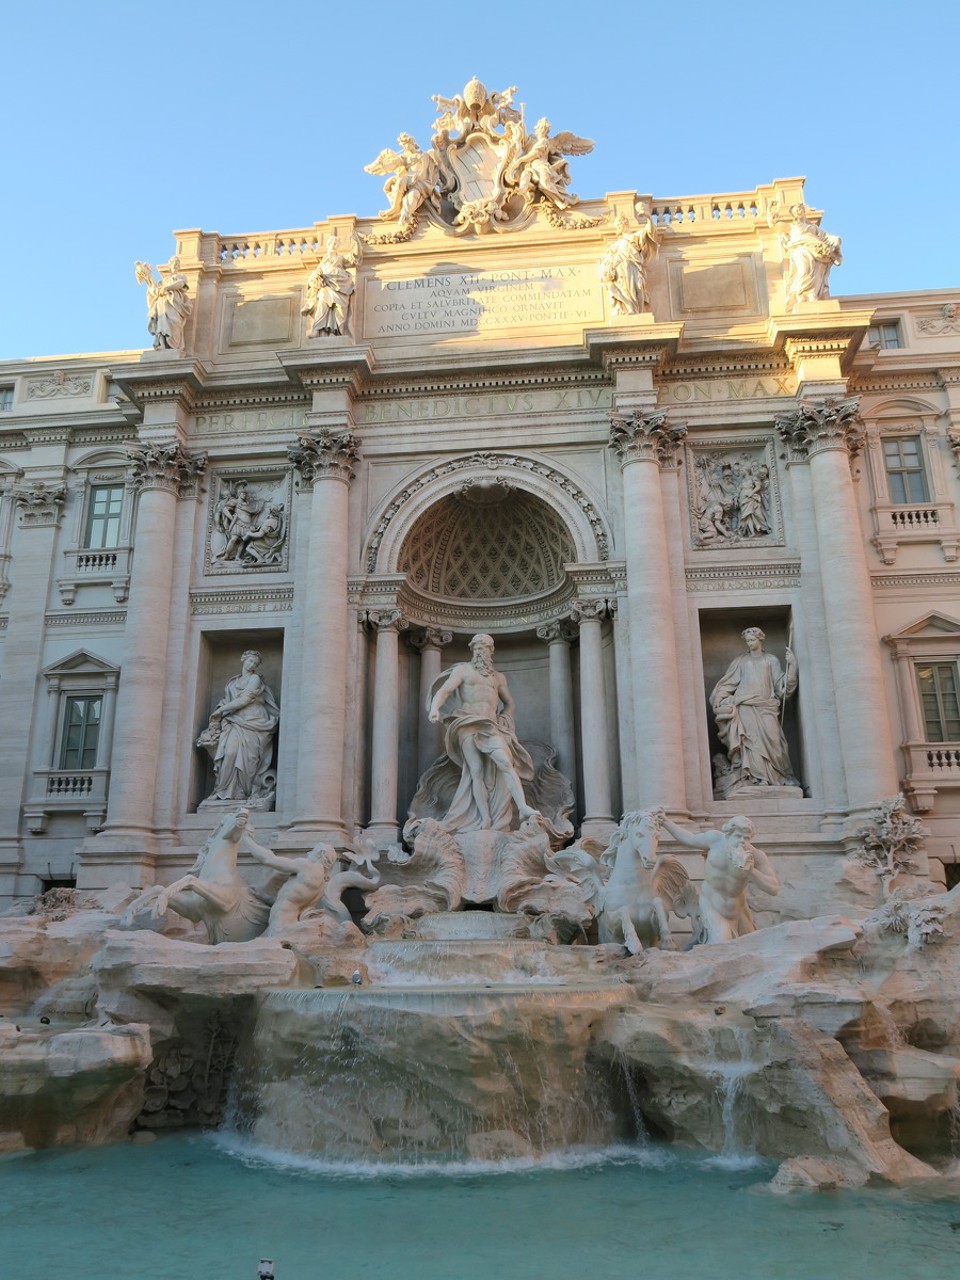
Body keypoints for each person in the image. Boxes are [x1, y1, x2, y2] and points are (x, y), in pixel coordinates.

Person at [427, 633, 538, 832]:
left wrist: (505, 718)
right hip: (467, 723)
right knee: (475, 771)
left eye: (484, 647)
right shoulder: (463, 670)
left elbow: (510, 703)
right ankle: (484, 819)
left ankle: (522, 807)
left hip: (490, 725)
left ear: (491, 651)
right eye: (477, 647)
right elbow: (444, 691)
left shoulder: (498, 677)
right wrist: (435, 708)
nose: (480, 651)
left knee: (506, 762)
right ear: (472, 650)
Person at [662, 815, 780, 944]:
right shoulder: (714, 840)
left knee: (750, 947)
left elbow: (773, 888)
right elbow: (689, 838)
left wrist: (751, 871)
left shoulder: (756, 856)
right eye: (738, 836)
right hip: (711, 904)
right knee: (721, 943)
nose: (742, 841)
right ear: (728, 834)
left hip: (738, 910)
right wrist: (665, 821)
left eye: (746, 838)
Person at [710, 627, 798, 788]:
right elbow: (728, 683)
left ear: (760, 639)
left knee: (775, 741)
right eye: (748, 641)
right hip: (745, 706)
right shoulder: (741, 661)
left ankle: (776, 777)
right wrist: (720, 696)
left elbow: (782, 688)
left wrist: (792, 666)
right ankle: (757, 778)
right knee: (751, 742)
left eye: (752, 640)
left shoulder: (771, 660)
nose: (750, 643)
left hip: (767, 706)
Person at [200, 651, 280, 802]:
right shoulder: (232, 682)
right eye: (250, 661)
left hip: (254, 721)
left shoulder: (255, 679)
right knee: (229, 753)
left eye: (255, 664)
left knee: (249, 759)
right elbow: (227, 700)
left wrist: (221, 711)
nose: (252, 665)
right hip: (234, 721)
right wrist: (221, 708)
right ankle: (222, 790)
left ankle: (242, 792)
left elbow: (245, 699)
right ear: (243, 659)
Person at [781, 205, 842, 308]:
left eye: (800, 209)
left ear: (804, 211)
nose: (799, 211)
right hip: (800, 249)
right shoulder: (791, 226)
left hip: (815, 249)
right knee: (804, 270)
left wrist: (836, 240)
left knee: (815, 272)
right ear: (793, 214)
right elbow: (775, 224)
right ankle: (802, 295)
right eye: (796, 210)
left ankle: (812, 294)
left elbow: (825, 237)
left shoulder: (813, 227)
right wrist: (771, 216)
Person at [599, 214, 658, 316]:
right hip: (621, 271)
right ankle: (631, 308)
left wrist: (647, 216)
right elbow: (609, 261)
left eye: (620, 224)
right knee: (624, 289)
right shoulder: (616, 245)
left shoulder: (634, 237)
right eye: (617, 225)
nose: (618, 227)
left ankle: (638, 311)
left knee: (639, 287)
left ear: (625, 224)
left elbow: (649, 230)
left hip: (634, 268)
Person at [302, 235, 356, 337]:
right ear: (327, 245)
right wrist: (315, 279)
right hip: (327, 286)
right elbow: (316, 274)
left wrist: (356, 242)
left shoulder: (340, 258)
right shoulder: (323, 262)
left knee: (339, 309)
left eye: (336, 244)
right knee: (322, 301)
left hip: (341, 286)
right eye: (332, 243)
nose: (334, 245)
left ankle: (334, 331)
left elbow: (353, 258)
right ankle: (317, 330)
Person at [135, 256, 192, 352]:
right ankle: (162, 344)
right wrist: (148, 276)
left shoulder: (181, 277)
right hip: (162, 304)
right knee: (162, 324)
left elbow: (180, 283)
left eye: (177, 264)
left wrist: (166, 288)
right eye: (174, 264)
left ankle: (173, 345)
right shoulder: (164, 281)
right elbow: (155, 290)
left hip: (174, 304)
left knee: (174, 322)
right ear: (170, 266)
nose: (176, 266)